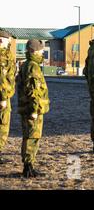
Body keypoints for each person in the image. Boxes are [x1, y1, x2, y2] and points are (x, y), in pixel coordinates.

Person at [16, 40, 50, 178]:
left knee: (29, 136)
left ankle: (28, 165)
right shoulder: (32, 67)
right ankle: (28, 167)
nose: (43, 53)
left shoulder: (27, 65)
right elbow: (33, 91)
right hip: (32, 109)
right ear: (34, 51)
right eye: (41, 50)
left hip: (28, 108)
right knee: (32, 137)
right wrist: (34, 110)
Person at [0, 31, 16, 164]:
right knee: (3, 124)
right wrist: (3, 98)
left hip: (5, 94)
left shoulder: (6, 54)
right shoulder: (2, 56)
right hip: (2, 96)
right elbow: (1, 79)